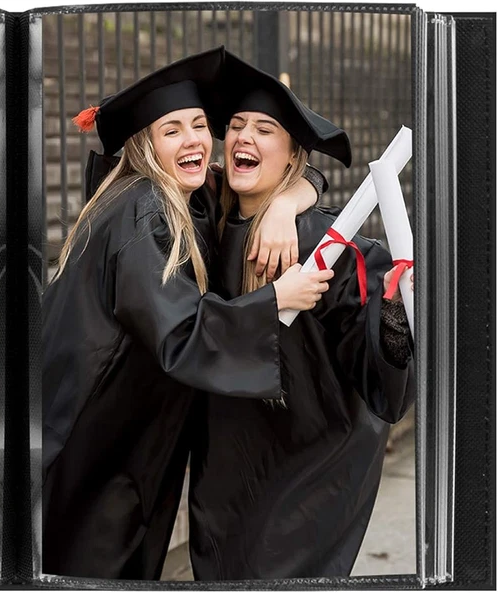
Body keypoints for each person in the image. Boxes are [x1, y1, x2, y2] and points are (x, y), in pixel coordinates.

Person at [41, 47, 335, 580]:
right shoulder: (144, 208)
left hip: (130, 446)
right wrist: (277, 300)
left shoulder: (184, 196)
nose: (195, 140)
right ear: (145, 145)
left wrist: (291, 201)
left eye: (200, 125)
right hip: (96, 450)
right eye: (172, 129)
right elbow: (180, 334)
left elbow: (295, 172)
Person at [187, 50, 416, 580]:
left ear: (291, 157)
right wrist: (295, 192)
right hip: (227, 466)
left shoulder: (325, 244)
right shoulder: (207, 221)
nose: (244, 136)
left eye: (265, 129)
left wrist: (393, 312)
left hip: (311, 468)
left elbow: (379, 372)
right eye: (237, 125)